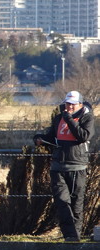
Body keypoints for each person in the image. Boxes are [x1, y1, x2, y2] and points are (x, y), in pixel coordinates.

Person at [33, 90, 95, 242]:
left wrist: (69, 119)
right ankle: (69, 236)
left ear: (80, 104)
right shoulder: (59, 118)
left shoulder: (87, 118)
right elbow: (53, 137)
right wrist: (39, 138)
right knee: (61, 202)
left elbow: (83, 136)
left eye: (73, 104)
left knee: (76, 204)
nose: (70, 107)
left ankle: (75, 237)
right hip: (58, 166)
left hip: (77, 167)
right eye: (68, 104)